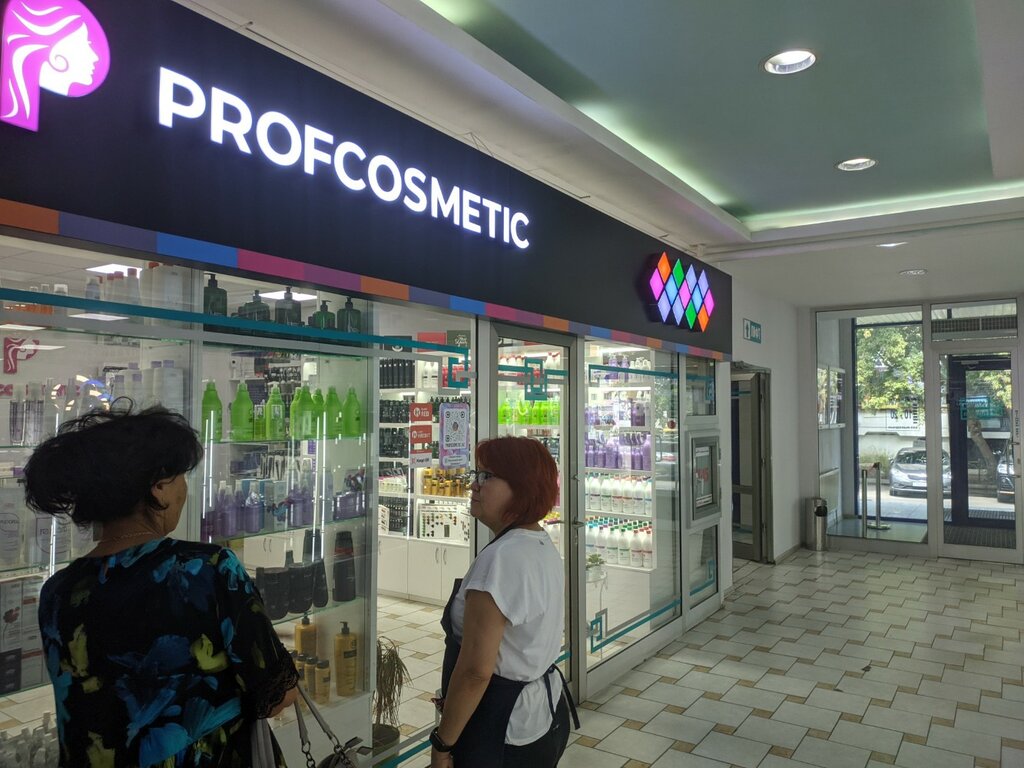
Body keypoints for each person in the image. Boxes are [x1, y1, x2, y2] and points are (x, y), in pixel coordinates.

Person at [22, 404, 298, 767]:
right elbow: (277, 693)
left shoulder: (59, 592)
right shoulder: (206, 570)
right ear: (159, 487)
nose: (184, 489)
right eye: (181, 476)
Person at [430, 436, 578, 768]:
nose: (473, 485)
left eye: (486, 476)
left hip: (501, 730)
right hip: (542, 717)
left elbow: (475, 672)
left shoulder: (502, 560)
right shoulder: (539, 543)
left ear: (521, 488)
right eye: (475, 474)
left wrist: (442, 744)